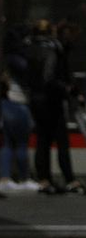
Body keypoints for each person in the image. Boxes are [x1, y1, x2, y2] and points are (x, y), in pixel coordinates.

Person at [27, 19, 86, 195]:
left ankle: (44, 179)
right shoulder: (53, 48)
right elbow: (51, 76)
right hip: (52, 100)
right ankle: (69, 179)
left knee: (42, 141)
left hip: (35, 99)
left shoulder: (30, 47)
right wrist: (69, 89)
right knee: (62, 140)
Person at [0, 26, 39, 193]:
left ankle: (5, 178)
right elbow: (30, 75)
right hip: (19, 102)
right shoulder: (20, 59)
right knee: (22, 143)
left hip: (5, 103)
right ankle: (24, 178)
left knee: (7, 143)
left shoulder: (6, 58)